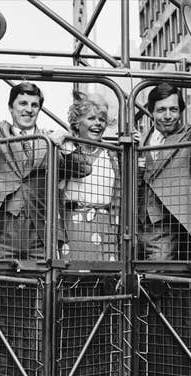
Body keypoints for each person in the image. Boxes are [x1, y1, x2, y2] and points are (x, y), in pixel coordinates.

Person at [0, 37, 92, 260]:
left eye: (34, 105)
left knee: (43, 288)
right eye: (22, 104)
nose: (28, 110)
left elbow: (84, 169)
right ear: (11, 108)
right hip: (4, 231)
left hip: (41, 233)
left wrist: (67, 144)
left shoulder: (50, 140)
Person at [138, 40, 191, 262]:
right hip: (136, 225)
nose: (168, 116)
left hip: (168, 224)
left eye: (173, 109)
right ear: (151, 113)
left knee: (158, 277)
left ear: (181, 111)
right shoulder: (141, 140)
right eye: (161, 110)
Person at [60, 91, 121, 262]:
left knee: (105, 279)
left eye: (102, 119)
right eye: (91, 118)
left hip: (105, 227)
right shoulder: (65, 150)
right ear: (77, 123)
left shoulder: (113, 154)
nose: (98, 124)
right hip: (72, 226)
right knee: (73, 279)